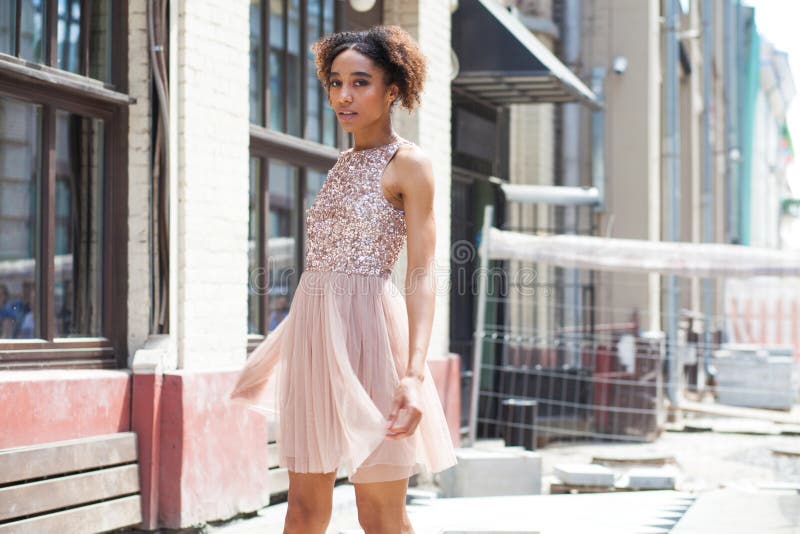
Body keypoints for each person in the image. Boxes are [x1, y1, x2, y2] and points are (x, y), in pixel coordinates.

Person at [229, 25, 456, 534]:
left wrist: (414, 375)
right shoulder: (342, 163)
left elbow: (421, 273)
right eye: (335, 83)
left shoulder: (410, 164)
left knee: (379, 513)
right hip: (314, 333)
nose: (344, 96)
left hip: (372, 335)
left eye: (360, 82)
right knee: (304, 509)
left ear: (392, 89)